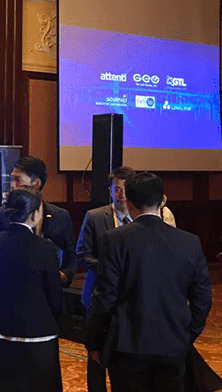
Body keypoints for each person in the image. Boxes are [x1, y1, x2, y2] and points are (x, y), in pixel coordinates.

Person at [85, 172, 211, 392]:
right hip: (173, 342)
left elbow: (104, 298)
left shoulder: (114, 239)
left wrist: (93, 342)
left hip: (127, 345)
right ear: (162, 200)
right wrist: (188, 336)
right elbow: (203, 298)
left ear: (129, 202)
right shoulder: (190, 242)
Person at [0, 188, 63, 392]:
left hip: (1, 329)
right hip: (39, 333)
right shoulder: (45, 247)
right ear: (34, 214)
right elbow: (54, 294)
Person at [76, 166, 135, 392]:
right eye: (116, 189)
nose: (122, 195)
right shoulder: (95, 217)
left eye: (125, 190)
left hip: (129, 298)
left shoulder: (140, 218)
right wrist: (109, 268)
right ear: (110, 190)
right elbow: (82, 254)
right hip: (98, 295)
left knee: (124, 356)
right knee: (95, 354)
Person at [0, 156, 76, 286]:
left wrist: (62, 276)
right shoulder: (1, 215)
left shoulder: (60, 216)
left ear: (36, 184)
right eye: (11, 179)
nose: (12, 186)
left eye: (18, 180)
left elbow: (71, 257)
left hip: (50, 288)